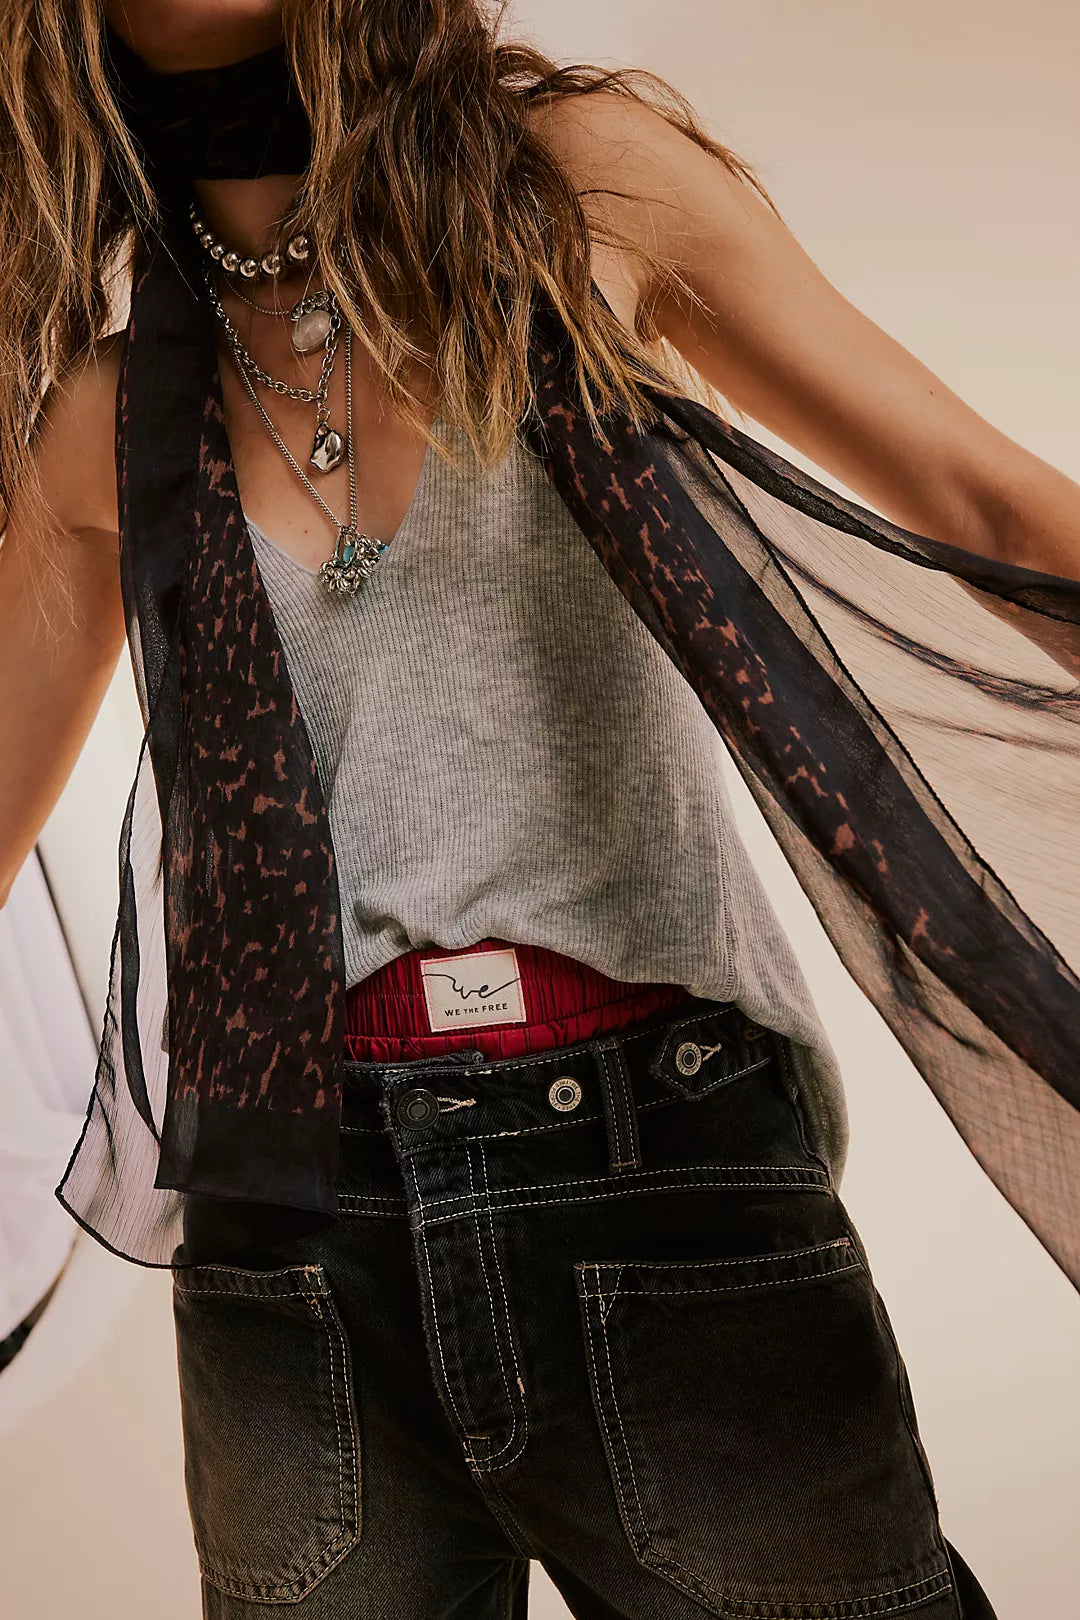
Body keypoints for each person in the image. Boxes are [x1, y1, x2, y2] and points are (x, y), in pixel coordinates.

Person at [1, 1, 1075, 1614]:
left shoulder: (572, 191)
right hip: (285, 1227)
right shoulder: (106, 414)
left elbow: (984, 502)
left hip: (659, 1164)